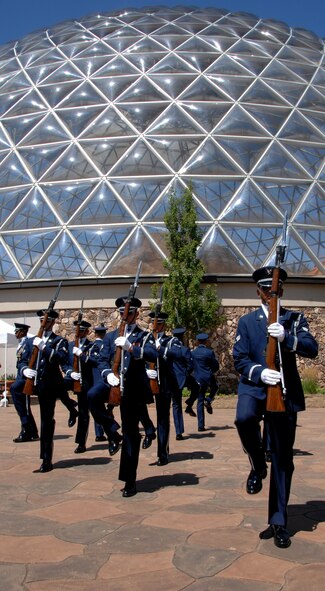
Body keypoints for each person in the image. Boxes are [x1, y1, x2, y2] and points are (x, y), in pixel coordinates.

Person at [233, 265, 318, 548]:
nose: (271, 293)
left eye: (276, 288)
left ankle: (279, 520)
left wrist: (287, 337)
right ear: (257, 291)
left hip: (283, 391)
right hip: (255, 387)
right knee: (244, 419)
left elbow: (312, 347)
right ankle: (257, 464)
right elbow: (240, 359)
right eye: (266, 288)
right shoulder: (246, 322)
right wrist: (258, 372)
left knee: (283, 457)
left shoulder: (294, 318)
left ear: (282, 290)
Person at [87, 296, 156, 497]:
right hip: (113, 383)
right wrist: (107, 374)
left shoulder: (143, 336)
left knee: (131, 434)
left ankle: (129, 480)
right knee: (92, 396)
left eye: (130, 312)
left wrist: (131, 348)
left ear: (136, 313)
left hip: (132, 389)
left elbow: (152, 354)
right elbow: (101, 360)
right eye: (122, 312)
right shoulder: (109, 337)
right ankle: (111, 430)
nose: (126, 315)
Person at [19, 309, 72, 472]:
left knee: (47, 421)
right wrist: (23, 370)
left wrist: (45, 348)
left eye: (48, 320)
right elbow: (22, 361)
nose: (45, 323)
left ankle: (46, 458)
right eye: (43, 320)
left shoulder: (59, 341)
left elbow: (62, 358)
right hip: (34, 383)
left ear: (53, 322)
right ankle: (27, 430)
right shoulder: (30, 341)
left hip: (49, 385)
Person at [151, 313, 192, 464]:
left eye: (159, 323)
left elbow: (179, 353)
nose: (156, 326)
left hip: (164, 384)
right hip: (148, 383)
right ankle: (149, 432)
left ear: (164, 325)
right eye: (155, 323)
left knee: (162, 418)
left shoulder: (171, 341)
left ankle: (162, 452)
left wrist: (161, 349)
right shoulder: (147, 339)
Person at [62, 320, 95, 454]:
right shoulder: (69, 345)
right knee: (57, 387)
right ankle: (71, 408)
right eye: (77, 330)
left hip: (85, 382)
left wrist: (82, 355)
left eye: (82, 330)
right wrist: (70, 372)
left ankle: (81, 443)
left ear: (87, 332)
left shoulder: (91, 346)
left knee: (84, 413)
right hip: (72, 378)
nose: (79, 333)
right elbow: (64, 363)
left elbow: (95, 362)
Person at [10, 322, 39, 443]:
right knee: (24, 405)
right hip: (21, 375)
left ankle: (26, 429)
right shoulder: (20, 343)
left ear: (23, 331)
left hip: (26, 377)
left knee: (25, 405)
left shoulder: (29, 342)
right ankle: (32, 431)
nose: (16, 333)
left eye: (18, 331)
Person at [185, 333, 219, 431]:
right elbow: (215, 365)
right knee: (215, 387)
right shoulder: (209, 352)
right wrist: (211, 371)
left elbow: (190, 365)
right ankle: (208, 400)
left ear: (197, 342)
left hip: (197, 378)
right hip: (207, 377)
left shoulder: (193, 353)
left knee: (200, 401)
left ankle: (200, 426)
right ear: (206, 341)